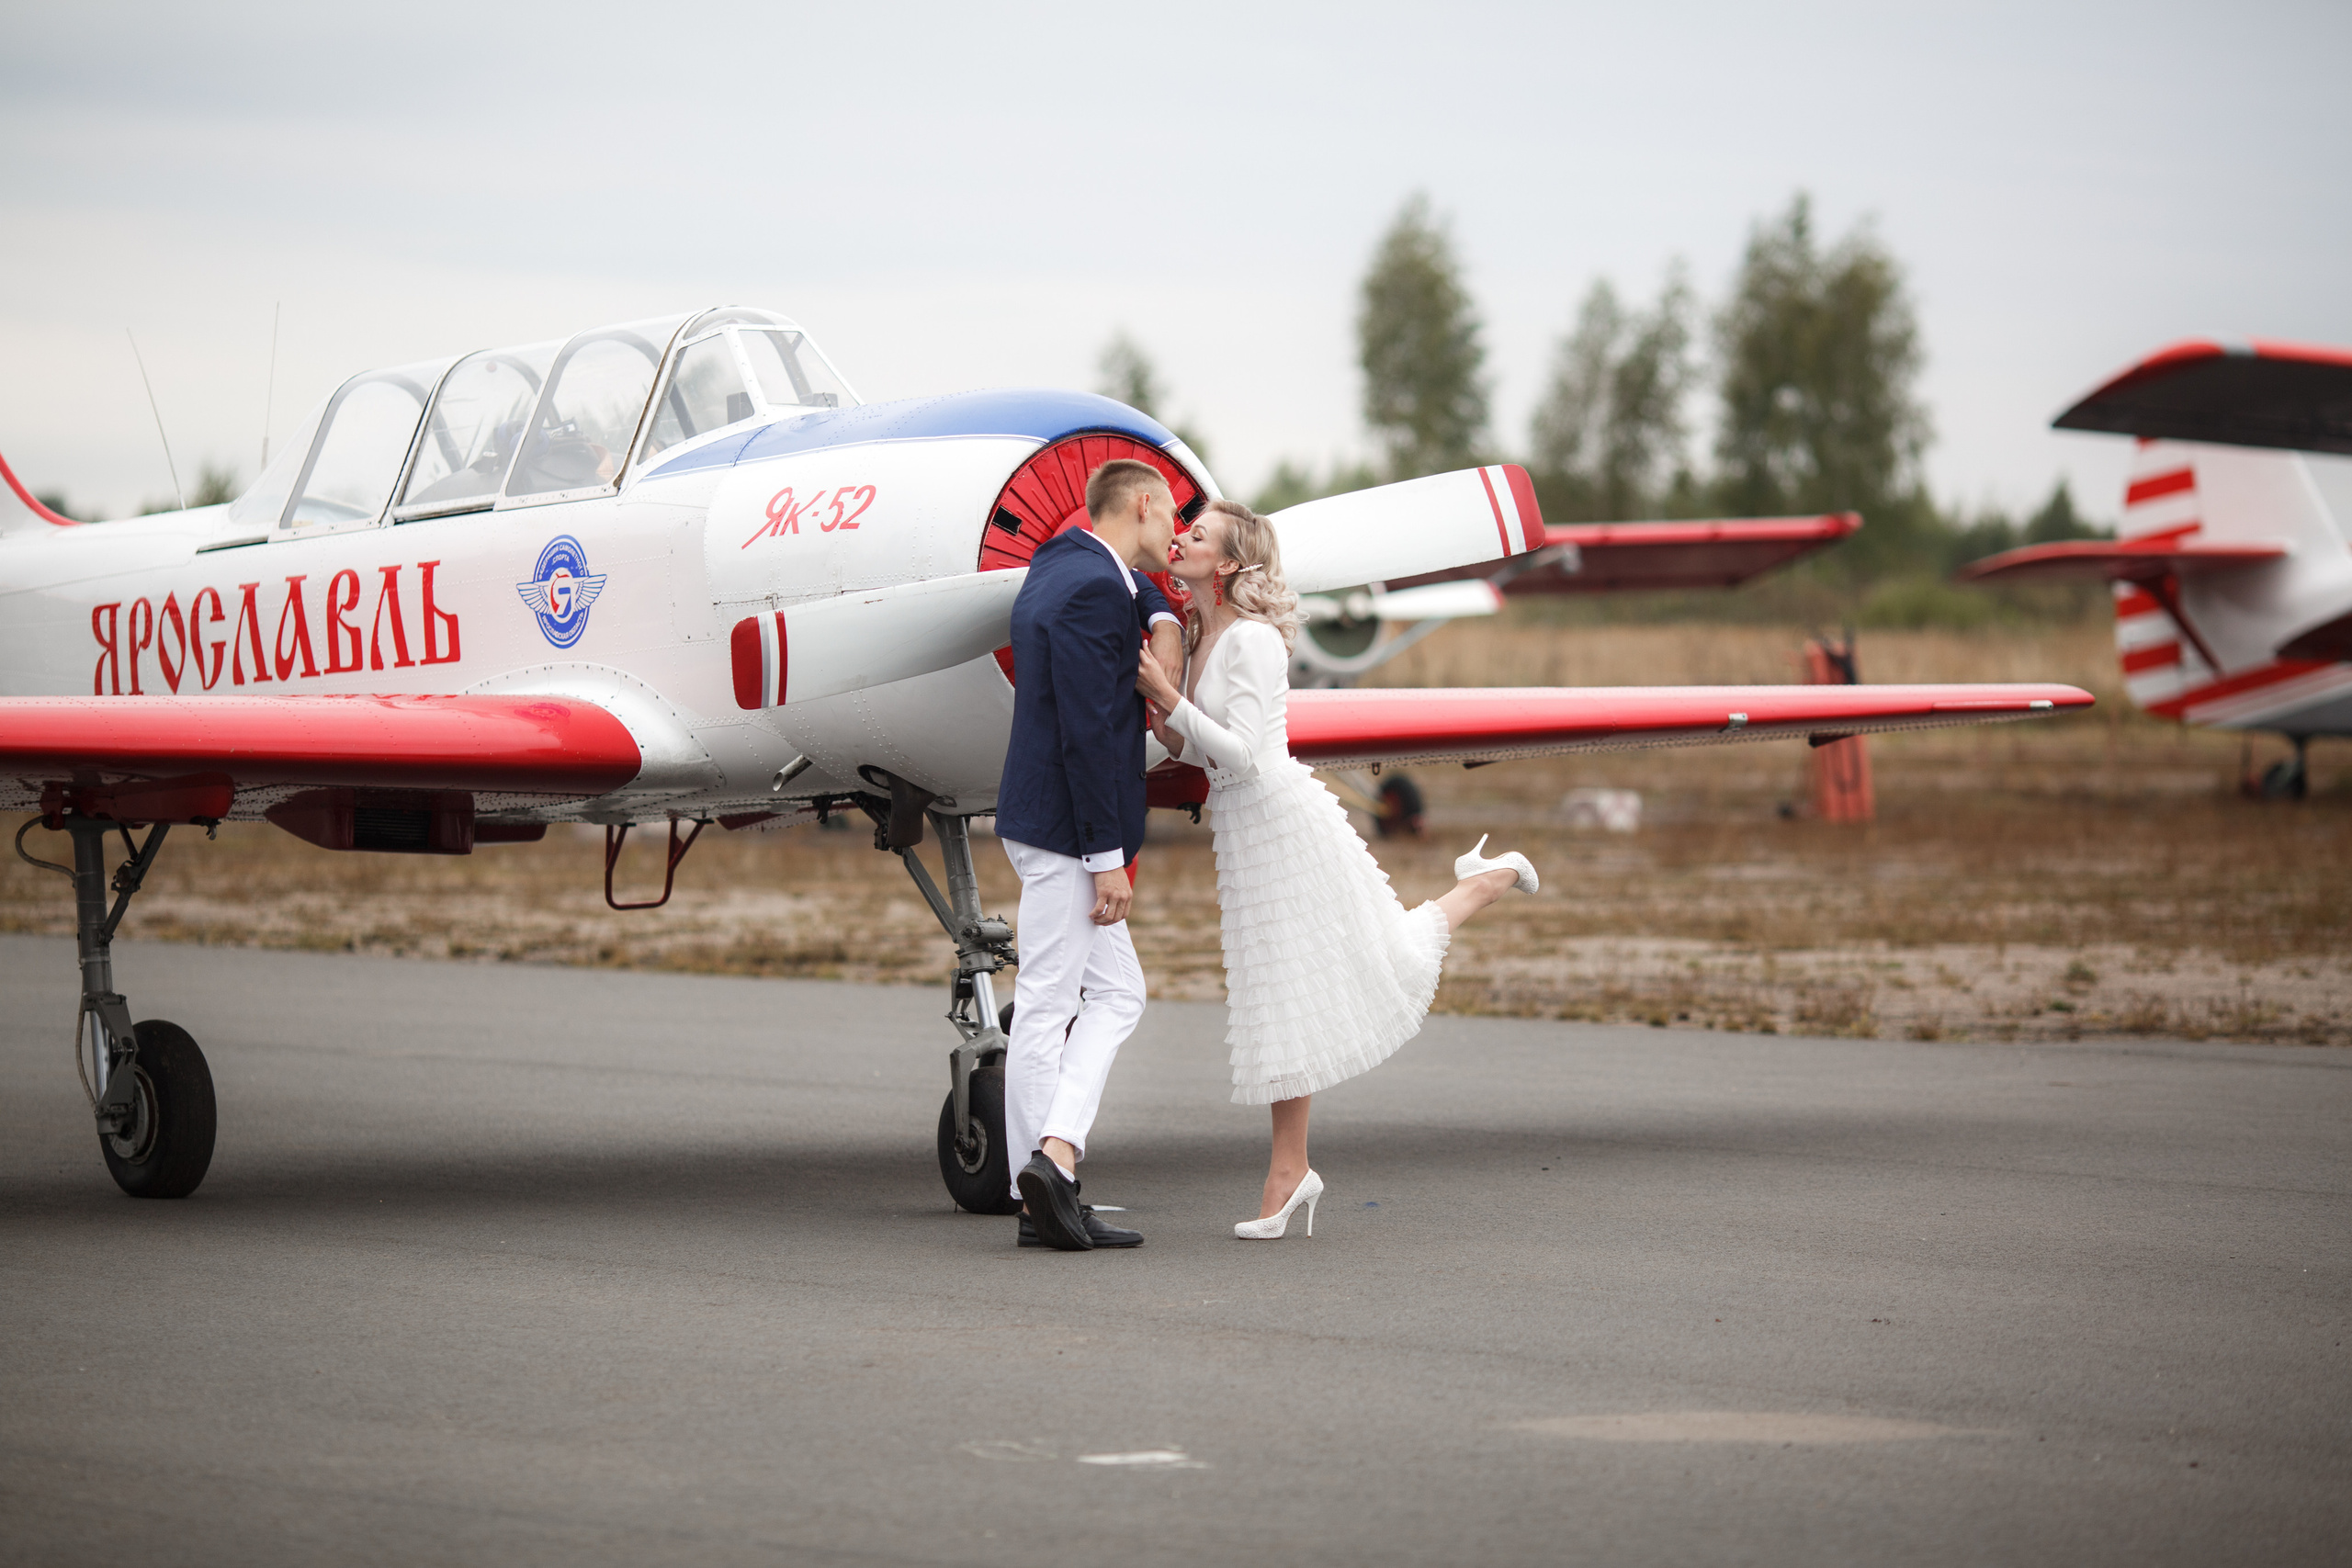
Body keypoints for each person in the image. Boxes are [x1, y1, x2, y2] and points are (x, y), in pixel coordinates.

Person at [1135, 500, 1538, 1240]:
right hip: (1241, 833)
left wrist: (1168, 700)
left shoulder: (1253, 638)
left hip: (1282, 819)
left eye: (1199, 534)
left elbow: (1247, 754)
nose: (1181, 537)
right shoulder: (1198, 636)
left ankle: (1486, 880)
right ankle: (1291, 1172)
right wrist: (1164, 719)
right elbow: (1200, 749)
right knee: (1277, 995)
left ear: (1228, 563)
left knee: (1347, 968)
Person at [991, 457, 1181, 1252]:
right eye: (1171, 514)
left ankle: (1050, 1167)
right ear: (1142, 503)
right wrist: (1106, 857)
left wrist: (1162, 612)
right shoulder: (1097, 589)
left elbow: (1131, 588)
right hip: (1069, 832)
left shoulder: (1060, 563)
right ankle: (1044, 1183)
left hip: (1041, 819)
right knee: (1047, 1005)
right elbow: (1089, 732)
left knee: (1115, 993)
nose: (1176, 530)